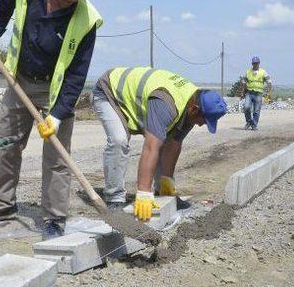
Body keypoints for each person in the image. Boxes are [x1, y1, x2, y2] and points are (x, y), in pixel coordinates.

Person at [0, 0, 103, 240]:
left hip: (55, 92)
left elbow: (77, 74)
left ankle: (55, 218)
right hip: (18, 79)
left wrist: (57, 115)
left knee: (57, 158)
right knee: (8, 144)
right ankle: (2, 203)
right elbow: (2, 3)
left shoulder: (87, 20)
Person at [91, 67, 227, 220]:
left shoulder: (191, 104)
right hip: (109, 93)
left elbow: (173, 144)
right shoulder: (166, 103)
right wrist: (143, 192)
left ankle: (159, 191)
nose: (202, 125)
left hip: (135, 100)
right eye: (204, 120)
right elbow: (151, 147)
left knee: (164, 140)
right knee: (119, 140)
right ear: (194, 110)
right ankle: (115, 200)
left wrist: (166, 182)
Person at [240, 56, 272, 130]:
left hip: (258, 93)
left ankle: (254, 125)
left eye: (256, 63)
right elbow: (243, 82)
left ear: (259, 63)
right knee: (246, 107)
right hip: (249, 93)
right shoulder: (248, 71)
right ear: (252, 63)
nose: (255, 64)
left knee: (256, 110)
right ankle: (249, 122)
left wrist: (268, 93)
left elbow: (269, 82)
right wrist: (242, 92)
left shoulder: (263, 72)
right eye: (254, 63)